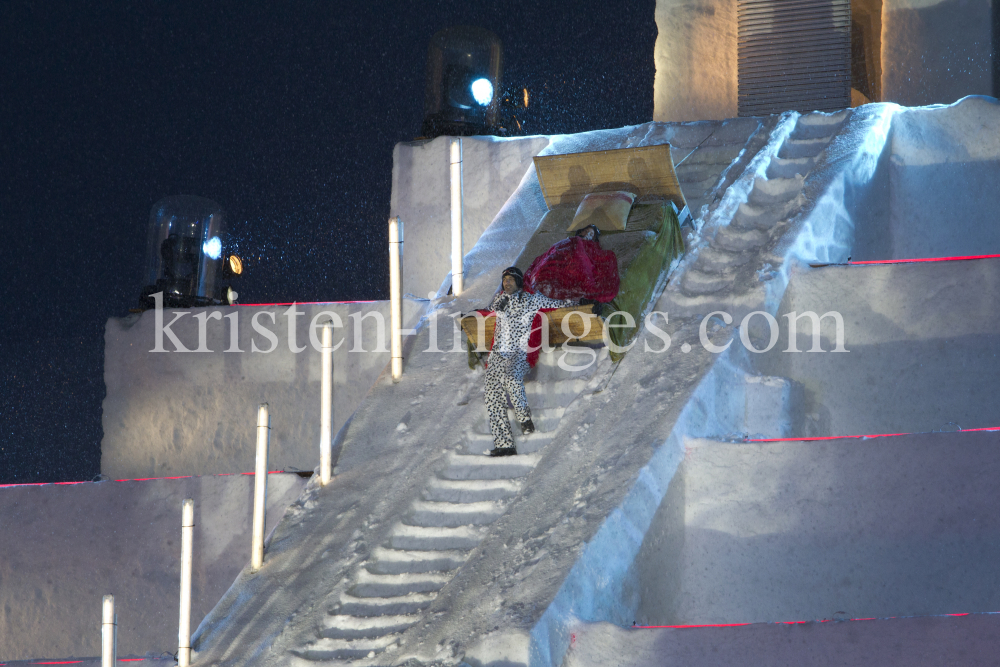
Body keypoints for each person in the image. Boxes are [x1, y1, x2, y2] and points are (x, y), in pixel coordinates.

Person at [484, 266, 578, 457]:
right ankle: (504, 445)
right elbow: (488, 311)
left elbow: (557, 304)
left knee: (511, 378)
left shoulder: (530, 298)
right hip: (498, 354)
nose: (506, 283)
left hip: (519, 352)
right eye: (504, 280)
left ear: (518, 282)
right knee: (492, 396)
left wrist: (580, 301)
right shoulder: (499, 300)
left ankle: (525, 419)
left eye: (510, 280)